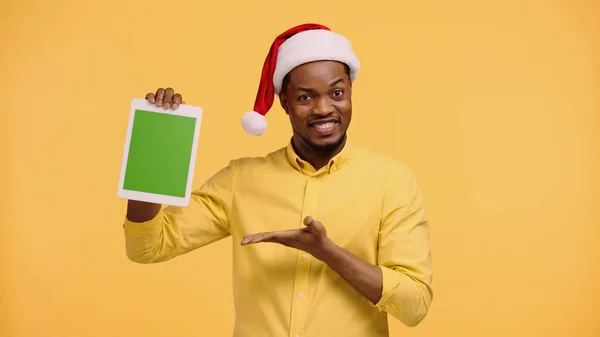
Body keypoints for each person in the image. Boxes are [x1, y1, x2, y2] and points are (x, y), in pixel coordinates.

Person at [123, 23, 433, 337]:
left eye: (337, 93)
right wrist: (153, 144)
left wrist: (328, 253)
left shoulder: (391, 182)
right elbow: (148, 247)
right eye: (305, 97)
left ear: (351, 91)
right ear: (284, 101)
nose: (323, 108)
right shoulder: (241, 180)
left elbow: (414, 305)